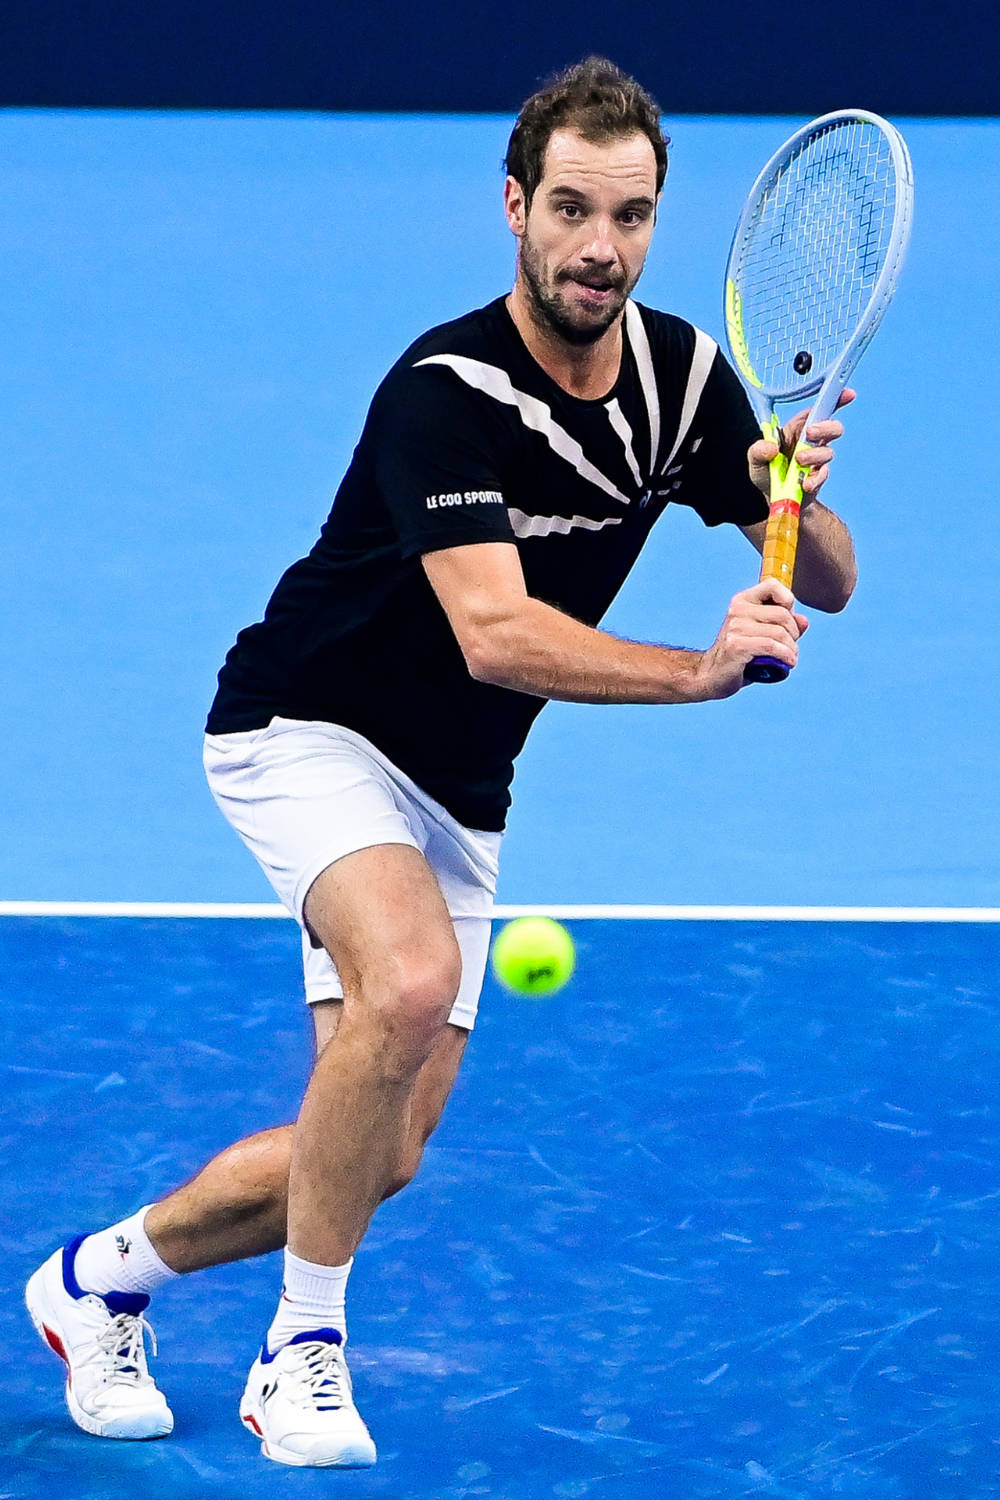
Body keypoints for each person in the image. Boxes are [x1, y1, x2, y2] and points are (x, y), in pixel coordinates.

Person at [26, 57, 857, 1469]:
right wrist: (697, 672)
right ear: (517, 207)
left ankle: (105, 1278)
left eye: (634, 216)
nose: (602, 247)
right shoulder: (447, 390)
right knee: (404, 983)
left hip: (458, 789)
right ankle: (302, 1352)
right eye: (575, 211)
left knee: (378, 1152)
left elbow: (830, 585)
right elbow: (495, 635)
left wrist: (789, 495)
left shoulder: (681, 380)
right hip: (306, 727)